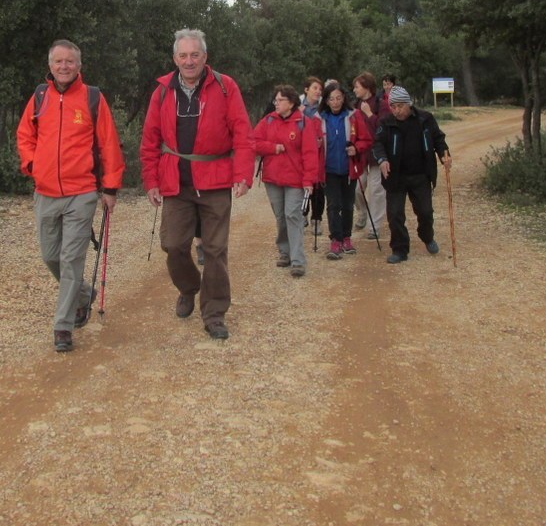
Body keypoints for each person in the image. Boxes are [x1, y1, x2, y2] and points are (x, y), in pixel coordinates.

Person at [140, 28, 254, 340]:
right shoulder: (162, 91)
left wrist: (243, 174)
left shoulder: (225, 87)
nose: (189, 61)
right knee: (174, 245)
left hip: (215, 180)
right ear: (174, 58)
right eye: (183, 55)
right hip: (176, 182)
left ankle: (214, 312)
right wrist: (151, 180)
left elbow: (243, 134)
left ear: (205, 57)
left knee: (216, 250)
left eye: (195, 55)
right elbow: (150, 140)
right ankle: (189, 288)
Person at [16, 39, 125, 352]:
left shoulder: (92, 98)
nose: (64, 67)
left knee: (70, 258)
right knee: (50, 255)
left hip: (82, 193)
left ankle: (62, 326)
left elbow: (109, 144)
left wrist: (111, 187)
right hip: (45, 192)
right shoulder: (40, 96)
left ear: (79, 66)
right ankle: (82, 294)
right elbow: (25, 135)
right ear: (50, 65)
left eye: (70, 62)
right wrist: (33, 164)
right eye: (58, 62)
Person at [371, 86, 452, 264]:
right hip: (395, 176)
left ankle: (427, 236)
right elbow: (377, 144)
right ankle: (399, 249)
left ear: (409, 104)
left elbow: (438, 138)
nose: (396, 110)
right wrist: (382, 159)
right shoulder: (386, 122)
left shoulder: (425, 119)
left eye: (400, 106)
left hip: (421, 175)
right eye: (393, 106)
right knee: (395, 214)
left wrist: (444, 155)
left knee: (425, 212)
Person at [253, 85, 321, 277]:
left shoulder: (303, 123)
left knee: (293, 215)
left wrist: (309, 181)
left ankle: (298, 260)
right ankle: (284, 252)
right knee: (281, 217)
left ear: (291, 103)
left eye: (280, 100)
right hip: (272, 178)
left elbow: (310, 154)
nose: (276, 103)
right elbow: (253, 142)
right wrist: (272, 147)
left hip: (295, 180)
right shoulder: (268, 121)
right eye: (276, 100)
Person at [320, 82, 372, 259]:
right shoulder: (320, 119)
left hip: (349, 168)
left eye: (338, 98)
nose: (335, 102)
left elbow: (366, 139)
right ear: (326, 101)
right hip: (329, 169)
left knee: (348, 204)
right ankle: (335, 239)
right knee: (333, 205)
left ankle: (346, 237)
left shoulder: (354, 116)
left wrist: (356, 148)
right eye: (331, 99)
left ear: (344, 99)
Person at [352, 71, 389, 239]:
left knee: (376, 190)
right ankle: (362, 213)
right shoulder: (354, 105)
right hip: (360, 153)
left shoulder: (381, 104)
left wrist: (368, 114)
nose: (354, 90)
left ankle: (374, 226)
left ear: (366, 87)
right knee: (357, 188)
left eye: (357, 87)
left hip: (377, 152)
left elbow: (383, 128)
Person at [299, 76, 326, 238]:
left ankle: (317, 219)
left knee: (318, 187)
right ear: (306, 89)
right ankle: (303, 214)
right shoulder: (297, 108)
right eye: (315, 88)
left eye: (320, 89)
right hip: (301, 152)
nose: (318, 91)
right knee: (302, 185)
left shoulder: (323, 109)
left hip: (319, 153)